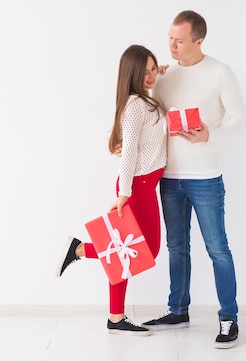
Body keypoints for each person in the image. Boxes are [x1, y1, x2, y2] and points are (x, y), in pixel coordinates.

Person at [141, 10, 246, 349]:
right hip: (169, 177)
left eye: (180, 40)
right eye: (169, 38)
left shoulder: (220, 72)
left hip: (205, 177)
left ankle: (228, 318)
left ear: (199, 41)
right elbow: (146, 116)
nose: (171, 45)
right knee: (176, 247)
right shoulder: (163, 76)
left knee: (218, 249)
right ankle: (177, 311)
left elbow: (241, 121)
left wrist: (209, 135)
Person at [55, 44, 167, 336]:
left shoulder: (144, 100)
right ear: (132, 75)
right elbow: (128, 150)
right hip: (137, 187)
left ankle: (115, 318)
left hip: (144, 185)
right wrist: (125, 193)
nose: (152, 76)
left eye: (154, 69)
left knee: (124, 251)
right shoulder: (135, 106)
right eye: (145, 72)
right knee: (143, 250)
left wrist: (164, 71)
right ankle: (79, 249)